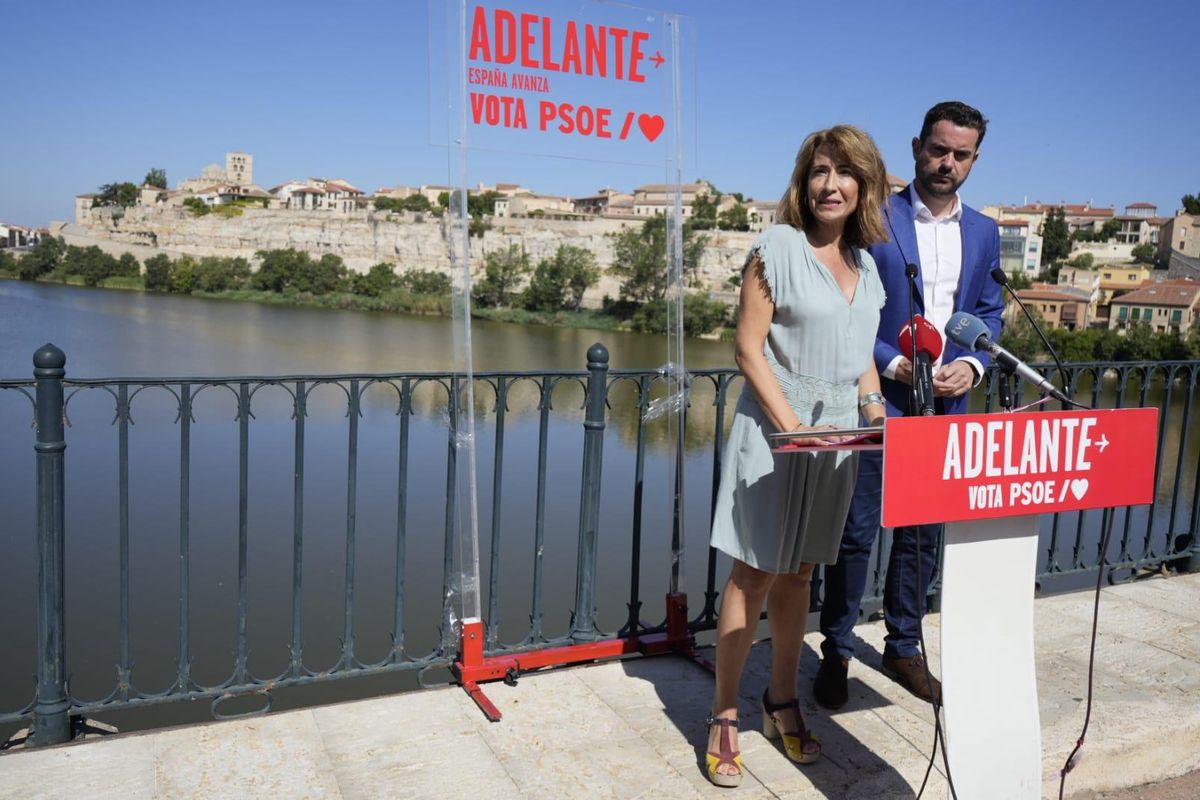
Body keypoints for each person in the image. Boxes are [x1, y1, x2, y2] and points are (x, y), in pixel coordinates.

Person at [705, 125, 890, 788]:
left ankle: (780, 697)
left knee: (799, 574)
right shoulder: (777, 246)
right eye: (819, 171)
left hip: (837, 440)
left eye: (844, 172)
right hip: (777, 435)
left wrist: (875, 415)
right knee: (752, 573)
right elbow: (748, 349)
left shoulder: (867, 267)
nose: (829, 184)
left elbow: (860, 364)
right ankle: (724, 714)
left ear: (866, 184)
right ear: (803, 181)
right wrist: (792, 430)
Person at [814, 101, 1004, 710]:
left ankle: (903, 648)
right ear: (917, 146)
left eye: (961, 154)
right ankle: (837, 653)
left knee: (924, 535)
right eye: (938, 149)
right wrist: (891, 363)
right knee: (856, 533)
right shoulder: (873, 216)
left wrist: (971, 364)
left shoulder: (984, 230)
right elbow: (843, 306)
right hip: (877, 399)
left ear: (975, 159)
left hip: (947, 409)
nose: (947, 162)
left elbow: (990, 315)